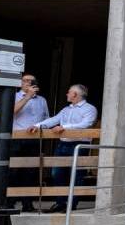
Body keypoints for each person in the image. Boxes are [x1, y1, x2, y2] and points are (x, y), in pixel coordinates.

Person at [31, 84, 98, 213]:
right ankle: (60, 202)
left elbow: (86, 124)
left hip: (79, 145)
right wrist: (36, 125)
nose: (67, 94)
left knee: (77, 175)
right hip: (63, 145)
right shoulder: (66, 109)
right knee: (57, 174)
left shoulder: (90, 109)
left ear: (75, 95)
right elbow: (53, 120)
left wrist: (65, 127)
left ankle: (72, 204)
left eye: (69, 92)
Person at [11, 73, 50, 212]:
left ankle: (27, 203)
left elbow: (46, 118)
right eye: (25, 80)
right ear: (20, 83)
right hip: (16, 138)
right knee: (13, 171)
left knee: (31, 172)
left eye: (31, 81)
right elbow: (11, 112)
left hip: (34, 139)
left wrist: (41, 127)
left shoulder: (42, 100)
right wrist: (27, 96)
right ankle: (10, 202)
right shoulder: (13, 96)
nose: (28, 83)